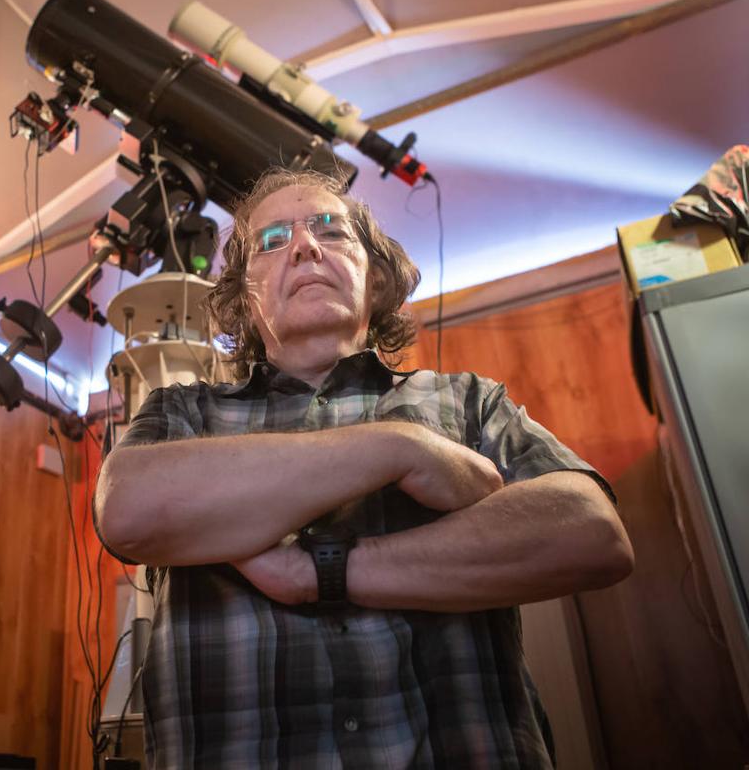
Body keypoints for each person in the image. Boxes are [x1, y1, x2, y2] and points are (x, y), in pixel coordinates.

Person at [95, 167, 635, 769]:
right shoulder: (183, 412)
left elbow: (593, 533)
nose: (303, 246)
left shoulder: (468, 403)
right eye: (273, 241)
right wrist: (399, 448)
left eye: (331, 229)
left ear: (376, 279)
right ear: (244, 304)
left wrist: (323, 573)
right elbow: (127, 511)